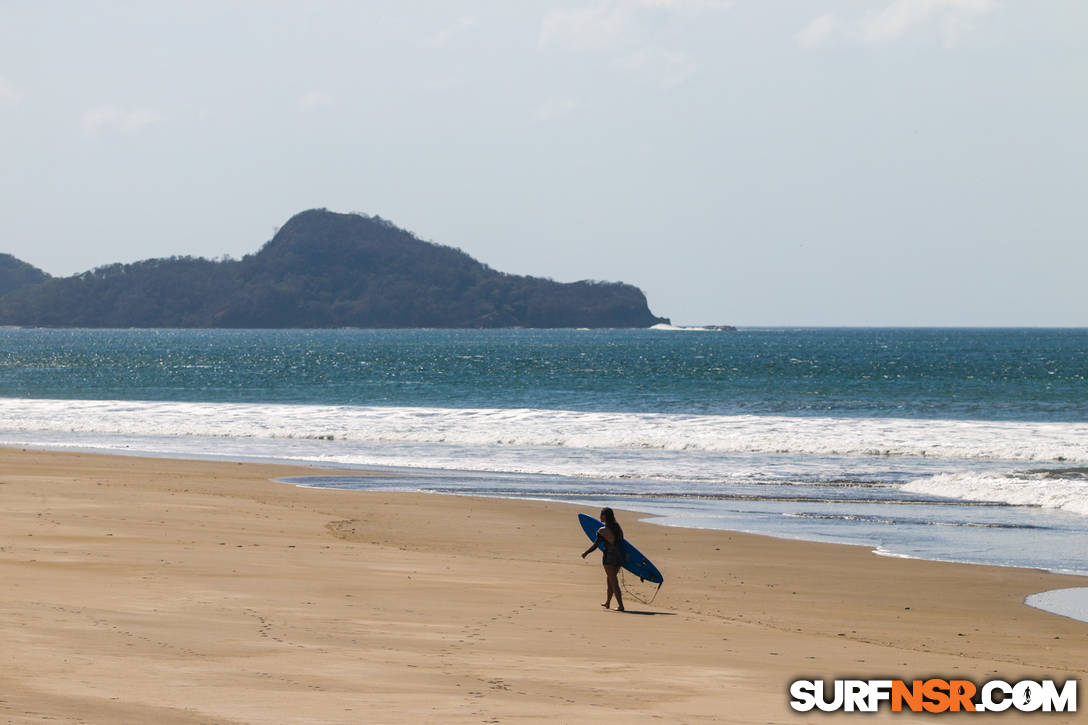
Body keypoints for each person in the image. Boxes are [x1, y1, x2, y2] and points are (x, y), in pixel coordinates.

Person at [581, 507, 625, 611]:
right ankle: (608, 602)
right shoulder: (617, 527)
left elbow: (596, 545)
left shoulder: (602, 530)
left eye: (601, 514)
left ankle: (621, 605)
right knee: (610, 579)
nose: (600, 517)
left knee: (613, 581)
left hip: (609, 557)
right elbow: (621, 542)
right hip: (619, 557)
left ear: (605, 516)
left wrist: (586, 552)